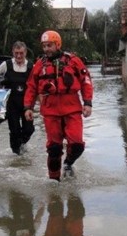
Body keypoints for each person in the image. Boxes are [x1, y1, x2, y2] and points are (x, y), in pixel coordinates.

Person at [23, 30, 93, 181]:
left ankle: (68, 163)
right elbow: (31, 87)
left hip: (72, 109)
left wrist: (87, 103)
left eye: (49, 45)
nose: (46, 49)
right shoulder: (39, 65)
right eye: (44, 46)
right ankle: (54, 181)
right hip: (50, 111)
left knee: (77, 145)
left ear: (57, 44)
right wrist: (28, 107)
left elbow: (86, 80)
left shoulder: (73, 61)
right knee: (54, 149)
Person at [0, 41, 35, 155]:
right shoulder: (6, 64)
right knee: (14, 131)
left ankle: (21, 144)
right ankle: (16, 155)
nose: (19, 56)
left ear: (25, 52)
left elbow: (37, 84)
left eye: (21, 53)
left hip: (27, 105)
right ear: (13, 52)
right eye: (16, 53)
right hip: (11, 104)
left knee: (29, 130)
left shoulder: (31, 66)